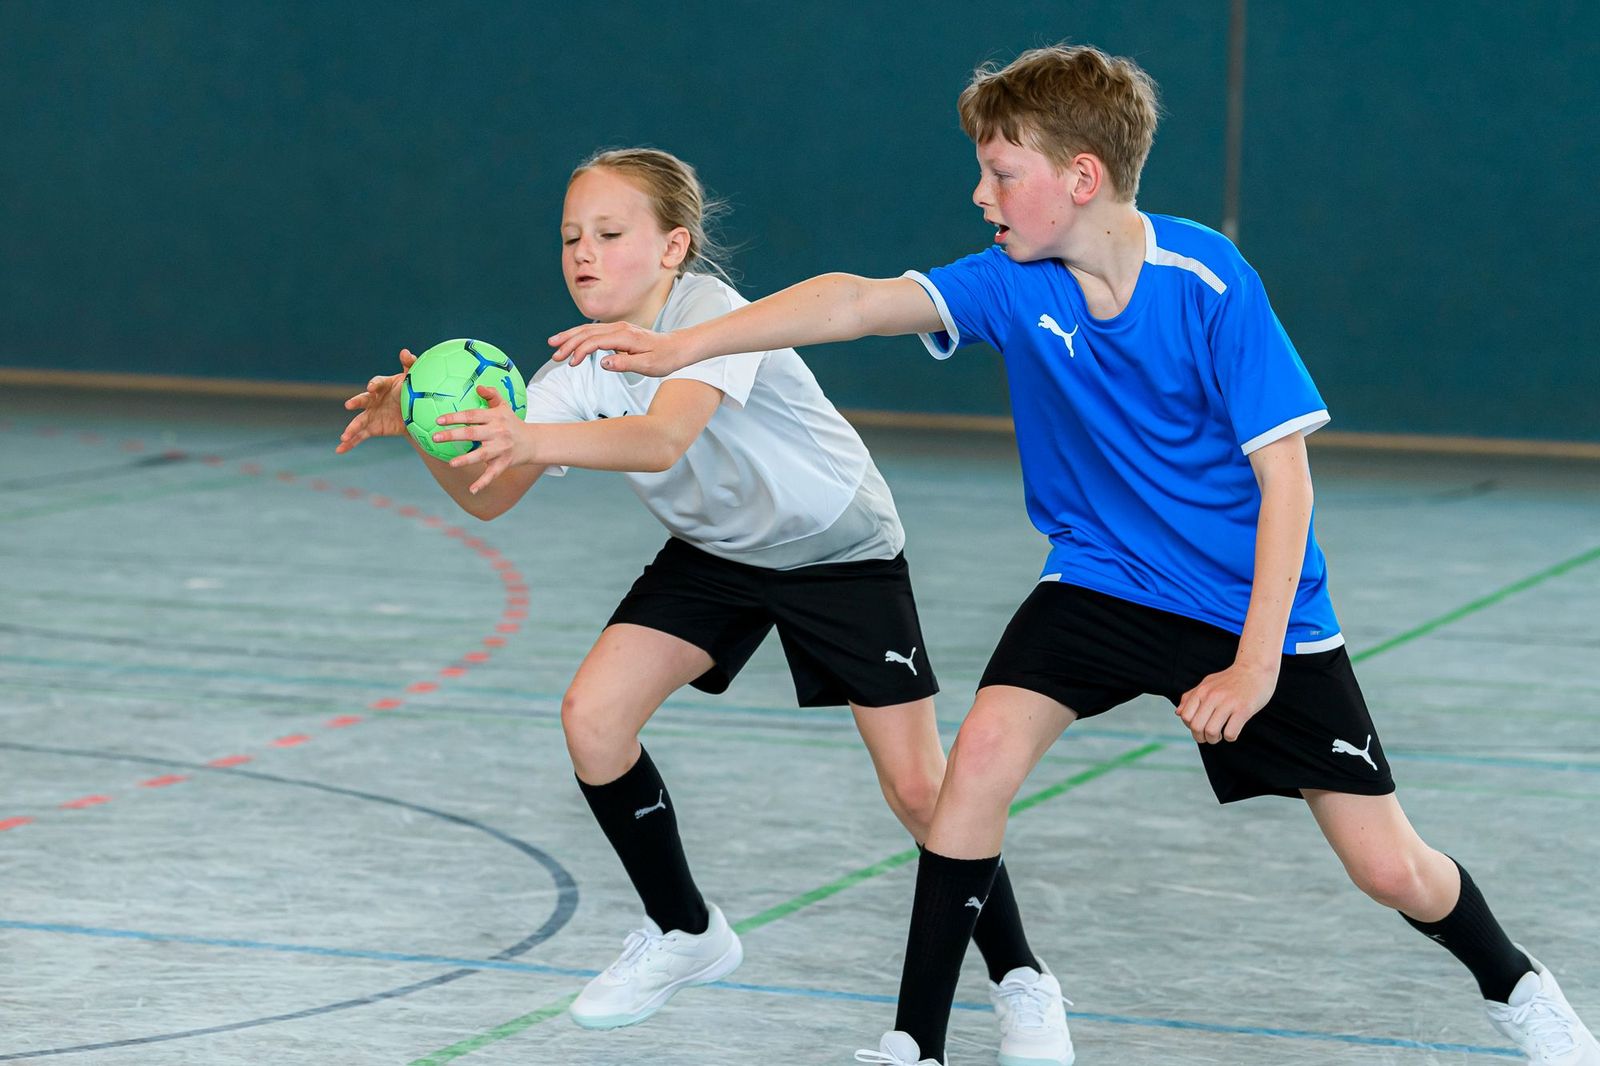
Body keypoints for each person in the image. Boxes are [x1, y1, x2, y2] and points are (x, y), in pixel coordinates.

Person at [546, 51, 1600, 1066]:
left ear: (1080, 178)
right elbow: (856, 300)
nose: (979, 194)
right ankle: (916, 1043)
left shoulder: (1207, 281)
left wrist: (1256, 664)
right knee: (977, 770)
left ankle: (1518, 987)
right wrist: (687, 345)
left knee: (1390, 868)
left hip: (1245, 604)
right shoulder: (1013, 281)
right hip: (1098, 578)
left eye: (1001, 173)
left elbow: (1289, 486)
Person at [337, 147, 1070, 1060]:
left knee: (923, 791)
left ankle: (1023, 982)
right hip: (718, 554)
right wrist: (427, 427)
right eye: (571, 237)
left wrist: (525, 430)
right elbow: (489, 497)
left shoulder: (713, 315)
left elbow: (660, 438)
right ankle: (686, 931)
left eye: (609, 234)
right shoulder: (575, 370)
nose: (583, 254)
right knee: (593, 720)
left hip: (839, 551)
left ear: (674, 246)